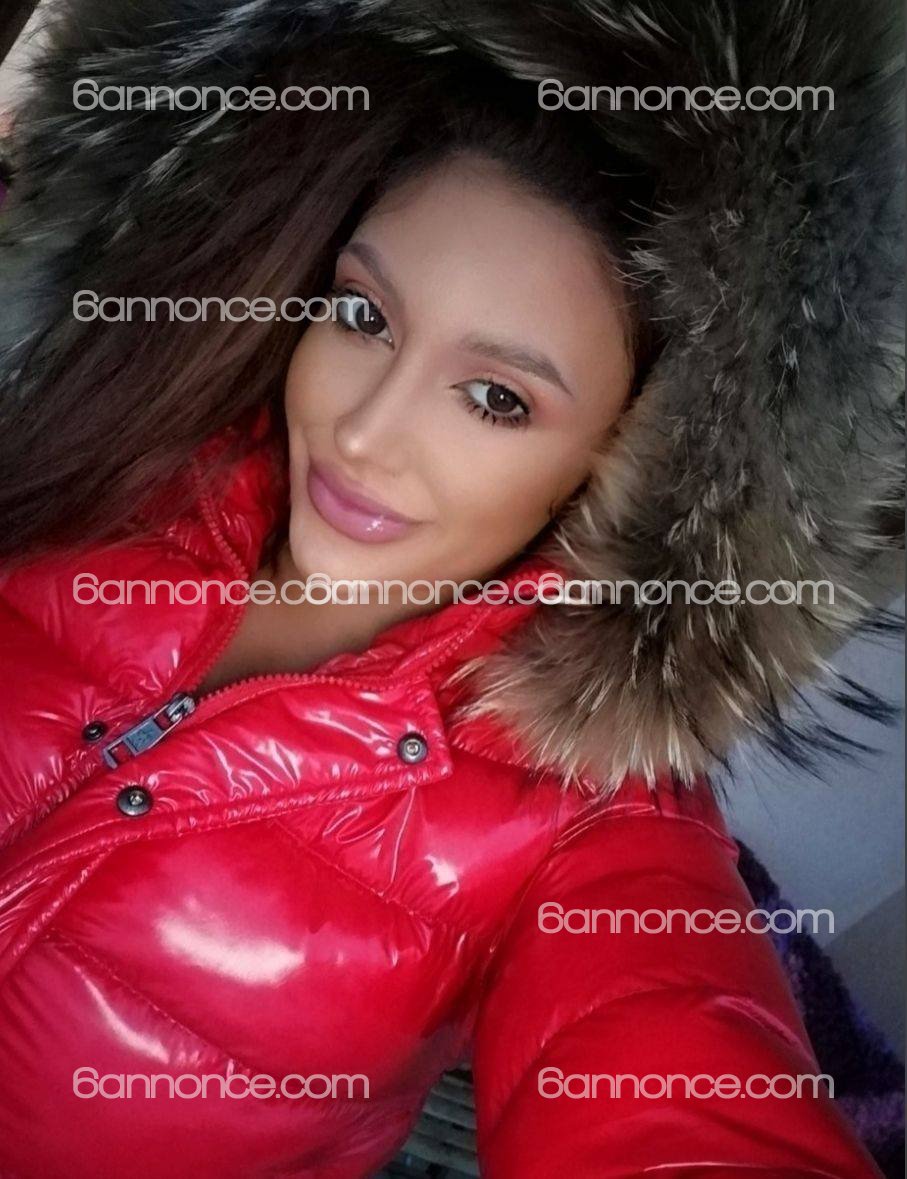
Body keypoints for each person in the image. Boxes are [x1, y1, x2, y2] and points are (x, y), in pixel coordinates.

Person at [0, 1, 901, 1176]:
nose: (363, 433)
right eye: (363, 315)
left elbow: (667, 1075)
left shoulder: (589, 815)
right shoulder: (120, 454)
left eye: (497, 399)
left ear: (633, 466)